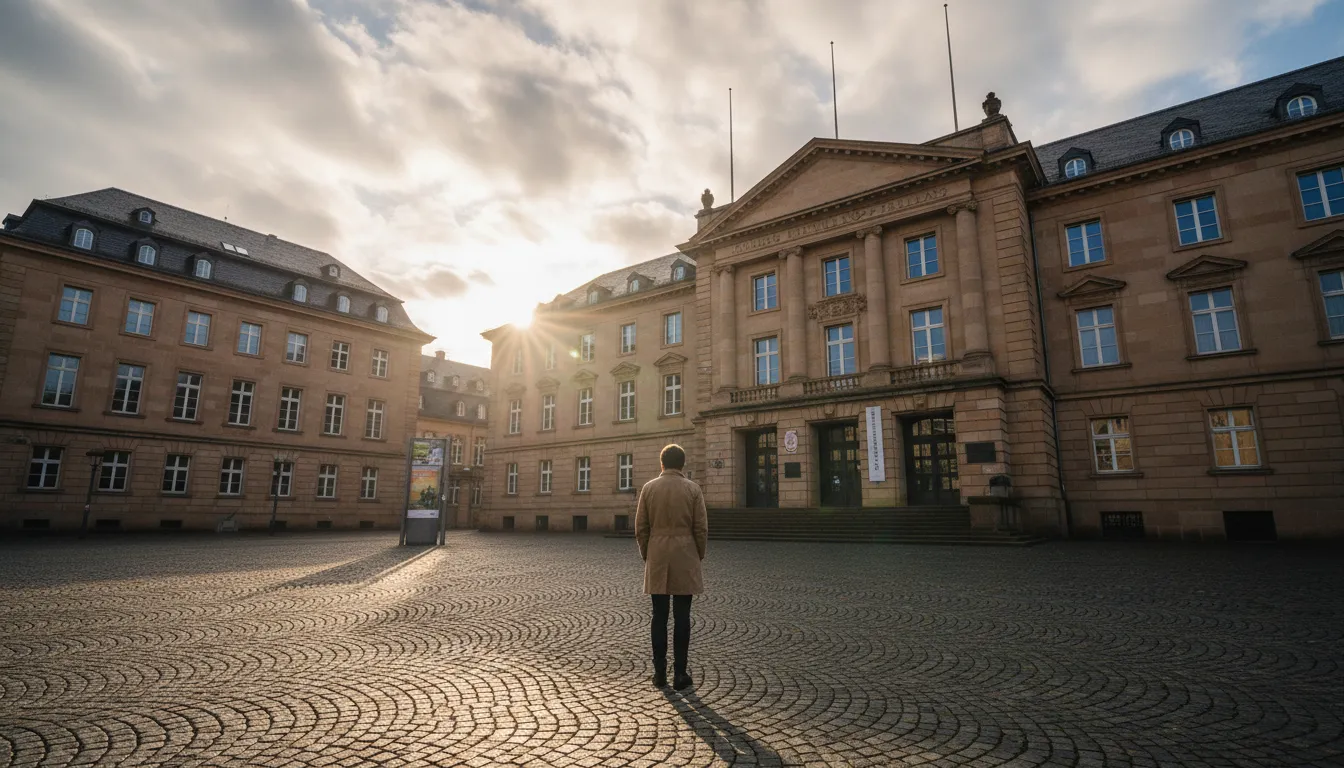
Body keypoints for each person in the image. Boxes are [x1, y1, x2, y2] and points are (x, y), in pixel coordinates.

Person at [635, 443, 708, 691]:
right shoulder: (693, 489)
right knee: (682, 617)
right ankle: (680, 673)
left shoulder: (648, 488)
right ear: (682, 464)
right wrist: (698, 554)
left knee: (659, 616)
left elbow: (641, 528)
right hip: (685, 554)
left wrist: (647, 554)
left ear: (662, 463)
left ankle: (659, 673)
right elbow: (701, 528)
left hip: (657, 554)